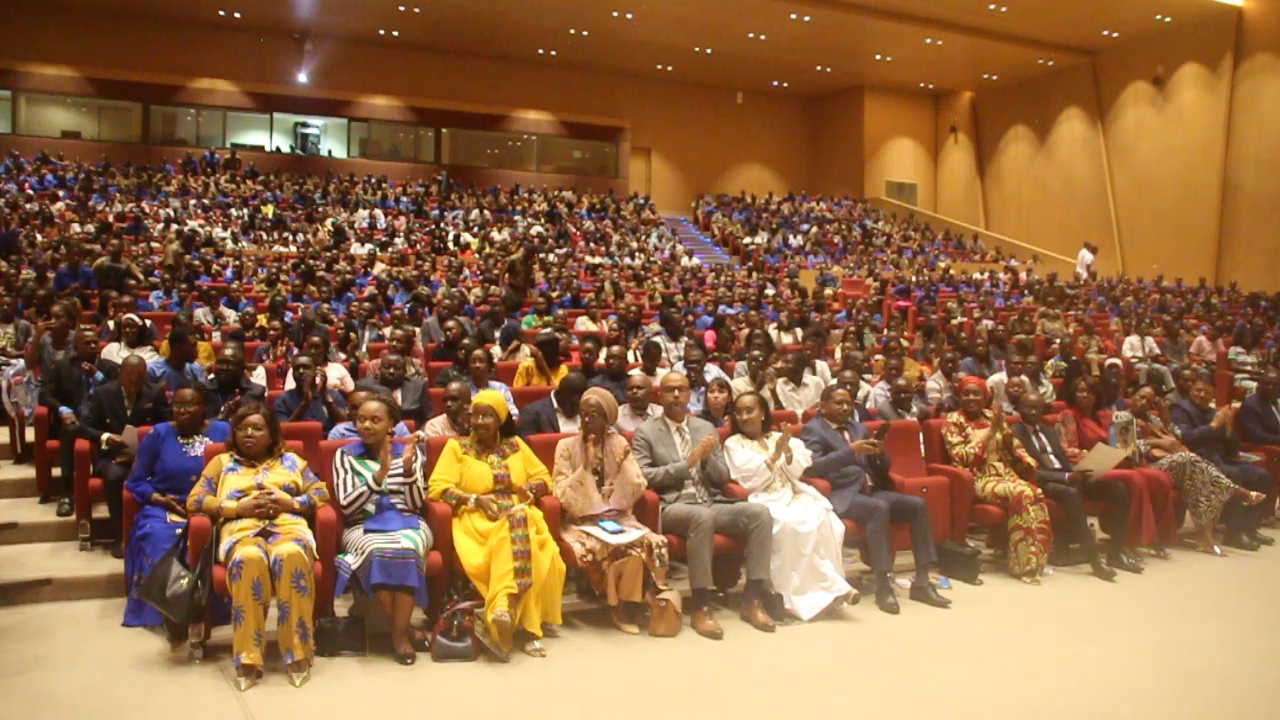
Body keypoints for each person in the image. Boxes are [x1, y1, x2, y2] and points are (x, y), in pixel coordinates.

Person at [188, 402, 330, 691]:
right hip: (241, 530)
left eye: (257, 428)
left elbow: (321, 493)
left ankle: (297, 652)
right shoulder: (222, 463)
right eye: (242, 428)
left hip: (288, 528)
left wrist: (291, 503)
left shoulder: (292, 462)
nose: (249, 434)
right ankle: (248, 657)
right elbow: (195, 500)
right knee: (249, 558)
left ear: (271, 433)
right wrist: (236, 508)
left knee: (290, 555)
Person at [632, 372, 776, 639]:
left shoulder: (705, 428)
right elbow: (644, 477)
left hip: (710, 501)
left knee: (760, 514)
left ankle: (752, 599)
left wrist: (707, 459)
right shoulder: (646, 432)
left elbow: (722, 477)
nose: (676, 395)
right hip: (673, 505)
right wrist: (686, 464)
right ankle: (701, 604)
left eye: (682, 389)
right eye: (670, 390)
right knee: (702, 518)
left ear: (690, 394)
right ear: (660, 396)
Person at [427, 389, 565, 658]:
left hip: (520, 514)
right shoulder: (457, 448)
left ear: (500, 419)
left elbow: (543, 477)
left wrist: (531, 488)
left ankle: (504, 607)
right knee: (518, 532)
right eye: (475, 416)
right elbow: (438, 488)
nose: (479, 422)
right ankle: (528, 629)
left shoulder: (516, 446)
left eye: (487, 416)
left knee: (528, 535)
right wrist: (474, 499)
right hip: (478, 520)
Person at [799, 386, 950, 613]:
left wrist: (879, 454)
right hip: (841, 494)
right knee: (878, 509)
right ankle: (883, 585)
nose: (845, 408)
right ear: (823, 405)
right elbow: (812, 467)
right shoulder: (812, 430)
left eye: (848, 403)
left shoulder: (858, 427)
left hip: (871, 489)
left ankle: (922, 581)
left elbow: (881, 467)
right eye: (838, 403)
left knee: (917, 505)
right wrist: (851, 451)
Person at [724, 392, 856, 620]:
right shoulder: (733, 443)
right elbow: (748, 479)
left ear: (762, 413)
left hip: (791, 493)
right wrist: (775, 454)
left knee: (823, 518)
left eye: (750, 411)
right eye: (739, 412)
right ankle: (801, 594)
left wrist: (785, 450)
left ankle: (830, 589)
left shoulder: (780, 437)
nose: (744, 417)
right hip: (762, 499)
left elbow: (797, 470)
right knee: (789, 525)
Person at [551, 388, 669, 634]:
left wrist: (621, 470)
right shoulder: (565, 446)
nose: (586, 420)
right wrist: (584, 468)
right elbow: (561, 493)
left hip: (618, 517)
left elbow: (637, 485)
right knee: (605, 546)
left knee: (650, 542)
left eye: (594, 415)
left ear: (608, 419)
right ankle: (618, 606)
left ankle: (633, 599)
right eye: (583, 414)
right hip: (582, 520)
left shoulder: (619, 443)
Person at [332, 395, 433, 665]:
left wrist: (409, 470)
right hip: (362, 524)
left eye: (375, 420)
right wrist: (380, 475)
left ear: (391, 425)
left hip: (407, 522)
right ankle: (403, 633)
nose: (366, 425)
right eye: (361, 419)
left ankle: (398, 634)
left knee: (407, 548)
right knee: (378, 550)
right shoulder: (345, 455)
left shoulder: (408, 452)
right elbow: (347, 505)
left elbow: (415, 504)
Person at [122, 382, 230, 631]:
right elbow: (136, 480)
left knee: (215, 539)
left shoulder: (223, 431)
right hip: (166, 505)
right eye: (177, 405)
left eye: (189, 405)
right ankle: (169, 613)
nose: (182, 410)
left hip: (211, 505)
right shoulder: (159, 434)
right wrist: (159, 499)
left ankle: (208, 611)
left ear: (204, 407)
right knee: (158, 537)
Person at [1115, 385, 1268, 555]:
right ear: (1133, 396)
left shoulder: (1153, 419)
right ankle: (1236, 491)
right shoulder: (1122, 417)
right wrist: (1157, 442)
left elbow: (1178, 437)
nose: (1144, 403)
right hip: (1145, 466)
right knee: (1189, 459)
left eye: (1149, 401)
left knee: (1199, 479)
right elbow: (1127, 450)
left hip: (1169, 462)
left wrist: (1166, 418)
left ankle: (1207, 538)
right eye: (1141, 397)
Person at [942, 376, 1053, 583]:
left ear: (985, 396)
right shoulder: (953, 421)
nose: (971, 398)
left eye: (976, 394)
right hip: (976, 478)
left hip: (1005, 474)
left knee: (1036, 493)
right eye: (966, 394)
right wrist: (989, 433)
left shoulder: (992, 416)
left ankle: (1035, 560)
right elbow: (961, 457)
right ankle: (1023, 566)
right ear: (959, 397)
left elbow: (1013, 445)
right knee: (1022, 493)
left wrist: (1027, 462)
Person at [1054, 376, 1176, 560]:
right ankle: (1127, 542)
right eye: (1080, 391)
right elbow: (1066, 449)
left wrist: (1127, 449)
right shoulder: (1068, 415)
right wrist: (1092, 454)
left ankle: (1156, 538)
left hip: (1114, 462)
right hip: (1089, 466)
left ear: (1096, 395)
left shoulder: (1105, 415)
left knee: (1160, 477)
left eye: (1089, 392)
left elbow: (1122, 443)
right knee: (1134, 479)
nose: (1085, 395)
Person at [1011, 393, 1131, 579]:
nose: (1033, 412)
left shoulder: (1048, 430)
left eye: (1037, 408)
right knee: (1071, 493)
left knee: (1118, 489)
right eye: (1028, 407)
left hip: (1066, 474)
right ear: (1019, 409)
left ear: (1043, 410)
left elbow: (1062, 459)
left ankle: (1116, 553)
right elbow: (1025, 470)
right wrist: (1067, 477)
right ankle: (1094, 560)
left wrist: (1081, 471)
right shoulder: (1013, 433)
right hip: (1042, 481)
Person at [1170, 376, 1274, 550]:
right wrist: (1213, 425)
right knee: (1232, 474)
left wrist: (1227, 430)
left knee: (1262, 475)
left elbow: (1233, 448)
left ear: (1213, 394)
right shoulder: (1180, 409)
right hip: (1198, 461)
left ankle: (1250, 528)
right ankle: (1233, 533)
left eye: (1206, 392)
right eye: (1198, 390)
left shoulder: (1213, 412)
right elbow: (1187, 437)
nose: (1201, 395)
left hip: (1223, 458)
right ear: (1191, 390)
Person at [80, 355, 171, 556]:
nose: (135, 384)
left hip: (148, 457)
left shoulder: (155, 392)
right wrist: (105, 437)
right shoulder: (103, 393)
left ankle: (158, 535)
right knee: (114, 476)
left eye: (140, 379)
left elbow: (168, 424)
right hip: (114, 456)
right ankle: (121, 535)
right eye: (130, 379)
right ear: (120, 374)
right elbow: (85, 427)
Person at [39, 328, 114, 516]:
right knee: (70, 430)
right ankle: (67, 494)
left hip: (101, 423)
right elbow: (45, 395)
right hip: (73, 420)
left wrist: (97, 377)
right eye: (86, 343)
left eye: (95, 342)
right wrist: (63, 409)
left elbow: (117, 395)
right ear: (75, 347)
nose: (92, 346)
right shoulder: (62, 366)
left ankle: (106, 490)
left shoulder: (109, 367)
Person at [274, 353, 347, 434]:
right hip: (297, 439)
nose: (301, 372)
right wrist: (305, 403)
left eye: (306, 368)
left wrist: (326, 399)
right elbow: (282, 431)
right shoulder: (283, 400)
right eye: (296, 369)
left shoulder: (332, 395)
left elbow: (345, 423)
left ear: (316, 371)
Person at [355, 353, 431, 427]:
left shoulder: (418, 386)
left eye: (397, 368)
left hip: (413, 432)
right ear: (380, 370)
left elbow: (427, 417)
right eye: (386, 367)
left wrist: (420, 432)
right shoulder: (364, 386)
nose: (391, 371)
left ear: (405, 371)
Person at [206, 344, 266, 420]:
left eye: (230, 364)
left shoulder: (255, 392)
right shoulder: (204, 390)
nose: (224, 368)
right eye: (220, 363)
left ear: (242, 368)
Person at [517, 371, 587, 437]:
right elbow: (525, 442)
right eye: (572, 405)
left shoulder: (588, 410)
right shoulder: (533, 412)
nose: (576, 410)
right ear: (558, 394)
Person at [285, 333, 355, 394]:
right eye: (310, 347)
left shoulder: (338, 368)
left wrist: (337, 388)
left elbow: (351, 390)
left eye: (317, 347)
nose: (312, 351)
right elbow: (290, 392)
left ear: (326, 350)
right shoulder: (297, 369)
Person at [328, 389, 411, 440]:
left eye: (365, 406)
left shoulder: (398, 427)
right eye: (355, 408)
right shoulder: (338, 433)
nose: (360, 411)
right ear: (348, 409)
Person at [465, 345, 519, 421]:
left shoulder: (501, 388)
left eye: (481, 361)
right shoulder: (464, 390)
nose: (477, 365)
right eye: (473, 362)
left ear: (489, 365)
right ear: (468, 366)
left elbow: (514, 414)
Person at [147, 325, 207, 394]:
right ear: (177, 347)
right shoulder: (153, 370)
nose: (197, 350)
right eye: (192, 346)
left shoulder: (195, 368)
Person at [1122, 321, 1175, 392]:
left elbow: (1157, 351)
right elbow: (1126, 352)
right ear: (1137, 329)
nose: (1146, 330)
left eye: (1146, 328)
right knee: (1145, 368)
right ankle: (1142, 388)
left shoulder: (1149, 339)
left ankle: (1171, 389)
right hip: (1136, 363)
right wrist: (1139, 358)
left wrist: (1151, 356)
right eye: (1143, 328)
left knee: (1164, 369)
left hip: (1149, 362)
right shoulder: (1129, 339)